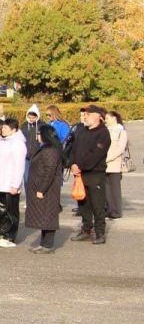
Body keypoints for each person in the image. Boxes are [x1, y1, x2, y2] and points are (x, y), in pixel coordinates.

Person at [69, 105, 111, 244]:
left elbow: (96, 155)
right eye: (84, 114)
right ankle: (86, 229)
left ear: (97, 116)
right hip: (80, 174)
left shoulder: (103, 133)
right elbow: (73, 149)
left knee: (97, 205)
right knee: (83, 203)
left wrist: (80, 166)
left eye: (87, 114)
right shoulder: (81, 131)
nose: (85, 117)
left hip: (95, 174)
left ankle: (99, 233)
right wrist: (72, 164)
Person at [25, 124, 64, 254]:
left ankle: (47, 245)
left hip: (48, 189)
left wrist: (42, 189)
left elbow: (49, 172)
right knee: (43, 215)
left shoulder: (50, 151)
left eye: (39, 133)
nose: (37, 136)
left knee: (48, 215)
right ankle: (43, 243)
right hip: (41, 187)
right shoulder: (45, 148)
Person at [0, 118, 27, 248]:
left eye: (5, 128)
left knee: (11, 211)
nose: (2, 130)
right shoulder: (1, 141)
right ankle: (5, 234)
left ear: (13, 129)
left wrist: (15, 185)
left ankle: (11, 237)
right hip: (0, 181)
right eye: (3, 128)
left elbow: (19, 166)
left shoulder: (18, 144)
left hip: (10, 183)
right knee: (3, 210)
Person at [104, 111, 127, 220]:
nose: (105, 120)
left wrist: (109, 158)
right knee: (106, 189)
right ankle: (109, 210)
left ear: (114, 118)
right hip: (104, 164)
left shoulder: (121, 131)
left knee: (115, 189)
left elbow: (121, 149)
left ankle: (116, 211)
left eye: (107, 118)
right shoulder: (105, 130)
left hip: (114, 164)